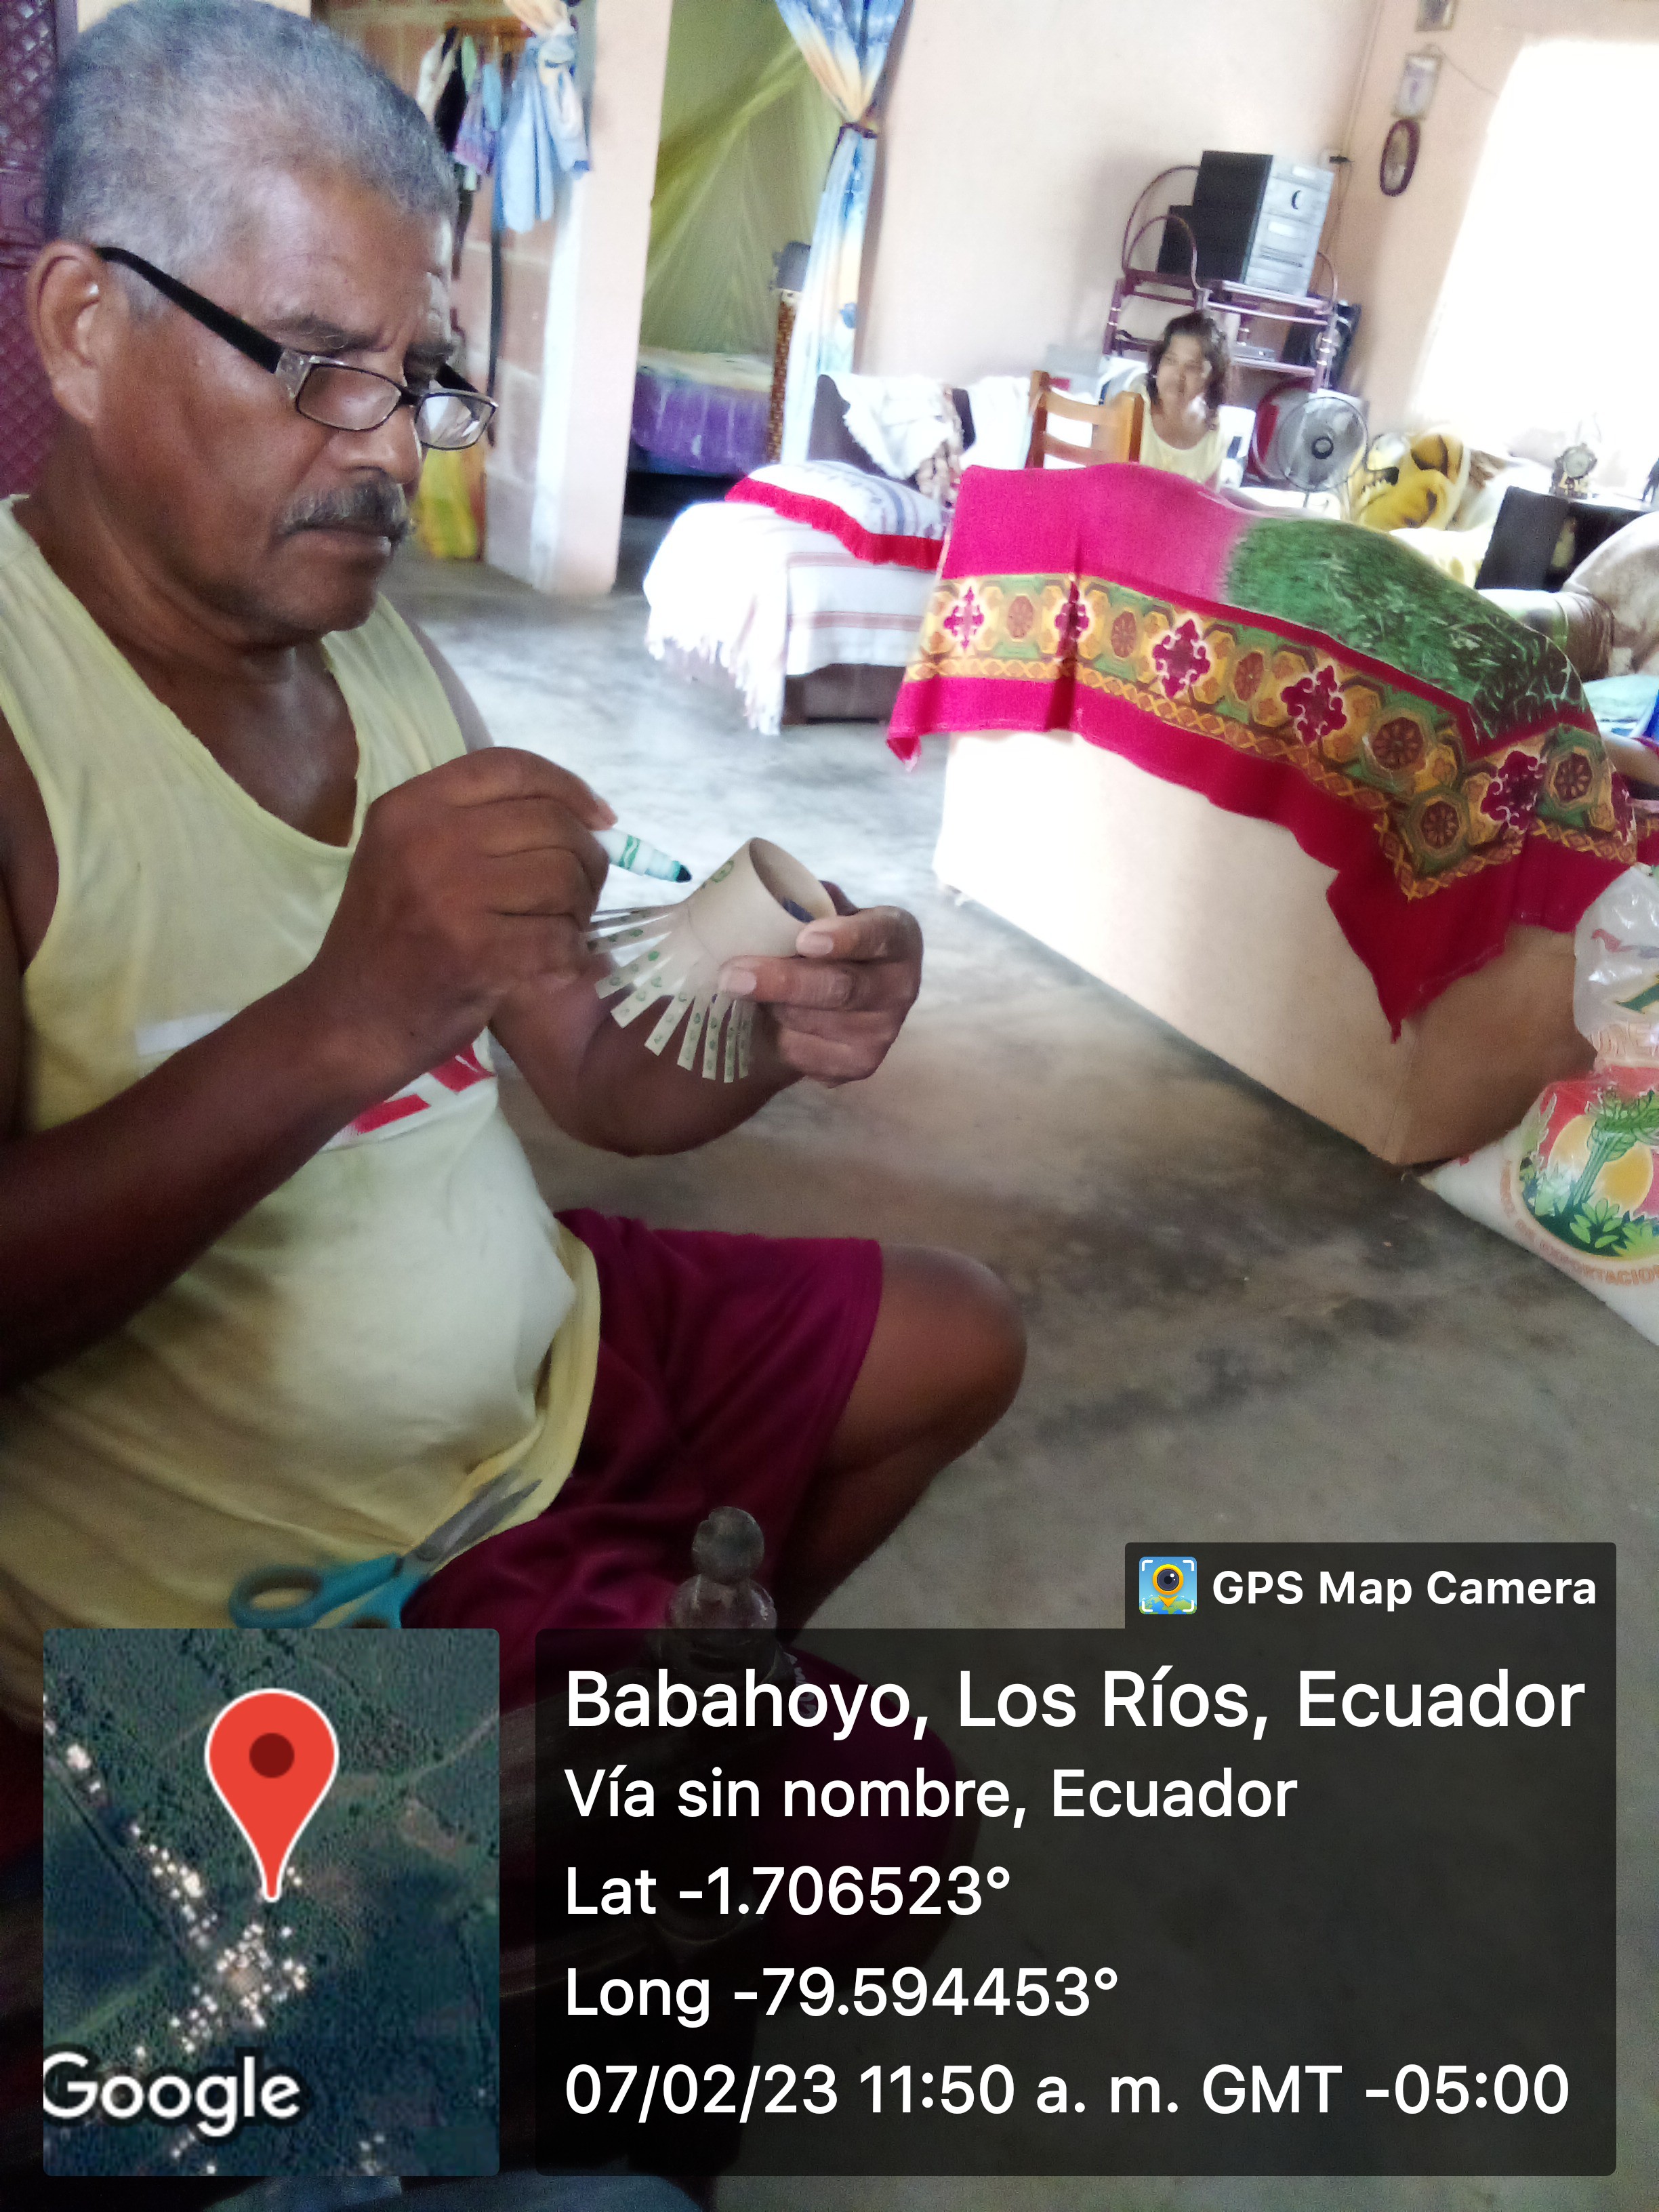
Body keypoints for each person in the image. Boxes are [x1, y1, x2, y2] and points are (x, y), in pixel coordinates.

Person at [0, 0, 1026, 1734]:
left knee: (960, 1332)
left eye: (422, 378)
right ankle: (568, 1786)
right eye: (317, 363)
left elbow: (598, 1073)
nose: (396, 448)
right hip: (266, 1584)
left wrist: (782, 1017)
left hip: (538, 1382)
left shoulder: (380, 658)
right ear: (84, 329)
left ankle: (646, 1701)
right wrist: (346, 1018)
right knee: (861, 1817)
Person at [1138, 310, 1230, 489]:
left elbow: (1208, 501)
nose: (1178, 376)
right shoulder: (1132, 405)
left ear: (1213, 376)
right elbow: (1098, 485)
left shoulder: (1216, 432)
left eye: (1192, 368)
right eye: (1170, 361)